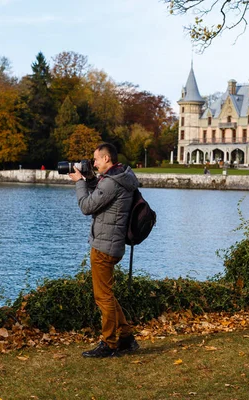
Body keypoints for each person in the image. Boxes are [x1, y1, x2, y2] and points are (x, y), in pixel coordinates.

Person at [68, 142, 140, 358]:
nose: (94, 163)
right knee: (108, 295)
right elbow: (99, 197)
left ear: (107, 159)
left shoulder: (111, 183)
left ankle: (108, 343)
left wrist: (79, 182)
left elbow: (86, 207)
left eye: (96, 159)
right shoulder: (119, 177)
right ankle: (126, 337)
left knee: (103, 298)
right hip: (112, 244)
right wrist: (89, 180)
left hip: (104, 246)